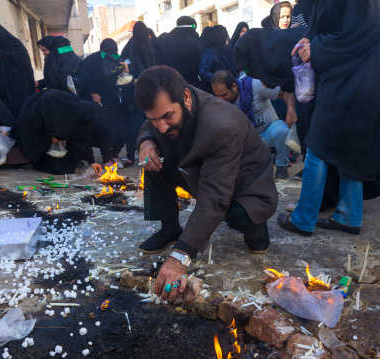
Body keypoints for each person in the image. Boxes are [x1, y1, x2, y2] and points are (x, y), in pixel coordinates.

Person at [134, 66, 278, 302]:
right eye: (154, 118)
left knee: (237, 214)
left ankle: (257, 230)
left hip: (245, 187)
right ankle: (170, 228)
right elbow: (149, 127)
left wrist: (180, 256)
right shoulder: (166, 110)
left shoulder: (222, 126)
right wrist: (146, 142)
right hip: (200, 173)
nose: (161, 126)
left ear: (186, 98)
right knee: (152, 160)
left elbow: (214, 196)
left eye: (167, 116)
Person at [277, 0, 380, 236]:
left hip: (352, 79)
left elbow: (371, 30)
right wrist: (309, 38)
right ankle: (348, 216)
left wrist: (318, 48)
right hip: (354, 78)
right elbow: (336, 23)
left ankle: (303, 218)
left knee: (318, 145)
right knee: (348, 148)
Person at [211, 70, 296, 179]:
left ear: (233, 86)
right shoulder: (220, 104)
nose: (221, 99)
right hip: (246, 141)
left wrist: (291, 111)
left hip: (268, 132)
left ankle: (281, 165)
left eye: (224, 95)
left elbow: (285, 92)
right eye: (217, 96)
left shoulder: (255, 85)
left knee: (283, 130)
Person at [16, 89, 103, 176]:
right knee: (57, 162)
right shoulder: (61, 109)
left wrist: (92, 161)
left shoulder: (79, 115)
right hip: (34, 114)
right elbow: (53, 127)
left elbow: (84, 137)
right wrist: (55, 135)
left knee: (66, 160)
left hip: (49, 117)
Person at [77, 39, 131, 167]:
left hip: (113, 100)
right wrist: (91, 93)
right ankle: (107, 158)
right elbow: (81, 80)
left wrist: (126, 72)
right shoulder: (91, 61)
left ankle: (115, 154)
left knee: (121, 127)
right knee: (103, 129)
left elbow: (125, 83)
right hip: (95, 101)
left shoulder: (119, 60)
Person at [120, 21, 160, 167]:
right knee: (138, 124)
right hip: (137, 94)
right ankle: (133, 155)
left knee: (144, 124)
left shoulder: (142, 46)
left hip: (143, 93)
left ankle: (145, 155)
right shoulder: (141, 46)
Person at [0, 19, 35, 117]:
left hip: (17, 89)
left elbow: (23, 62)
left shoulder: (14, 44)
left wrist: (2, 55)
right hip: (0, 92)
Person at [158, 16, 201, 86]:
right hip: (191, 86)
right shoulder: (194, 41)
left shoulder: (164, 39)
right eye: (194, 27)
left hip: (170, 84)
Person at [198, 25, 237, 93]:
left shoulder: (227, 51)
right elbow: (203, 71)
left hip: (230, 88)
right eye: (221, 36)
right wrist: (220, 78)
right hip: (215, 91)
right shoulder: (209, 52)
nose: (224, 38)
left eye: (225, 35)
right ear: (215, 37)